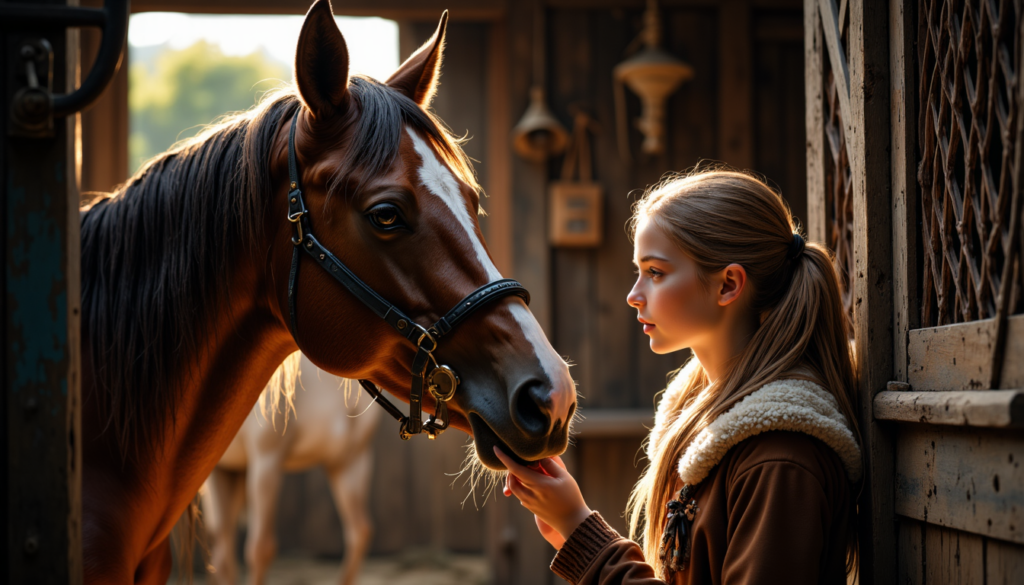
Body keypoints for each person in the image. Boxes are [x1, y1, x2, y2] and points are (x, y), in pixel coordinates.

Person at [494, 170, 863, 585]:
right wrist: (573, 534)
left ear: (728, 285)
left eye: (655, 272)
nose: (633, 295)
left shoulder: (780, 459)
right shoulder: (707, 423)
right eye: (639, 271)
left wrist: (581, 528)